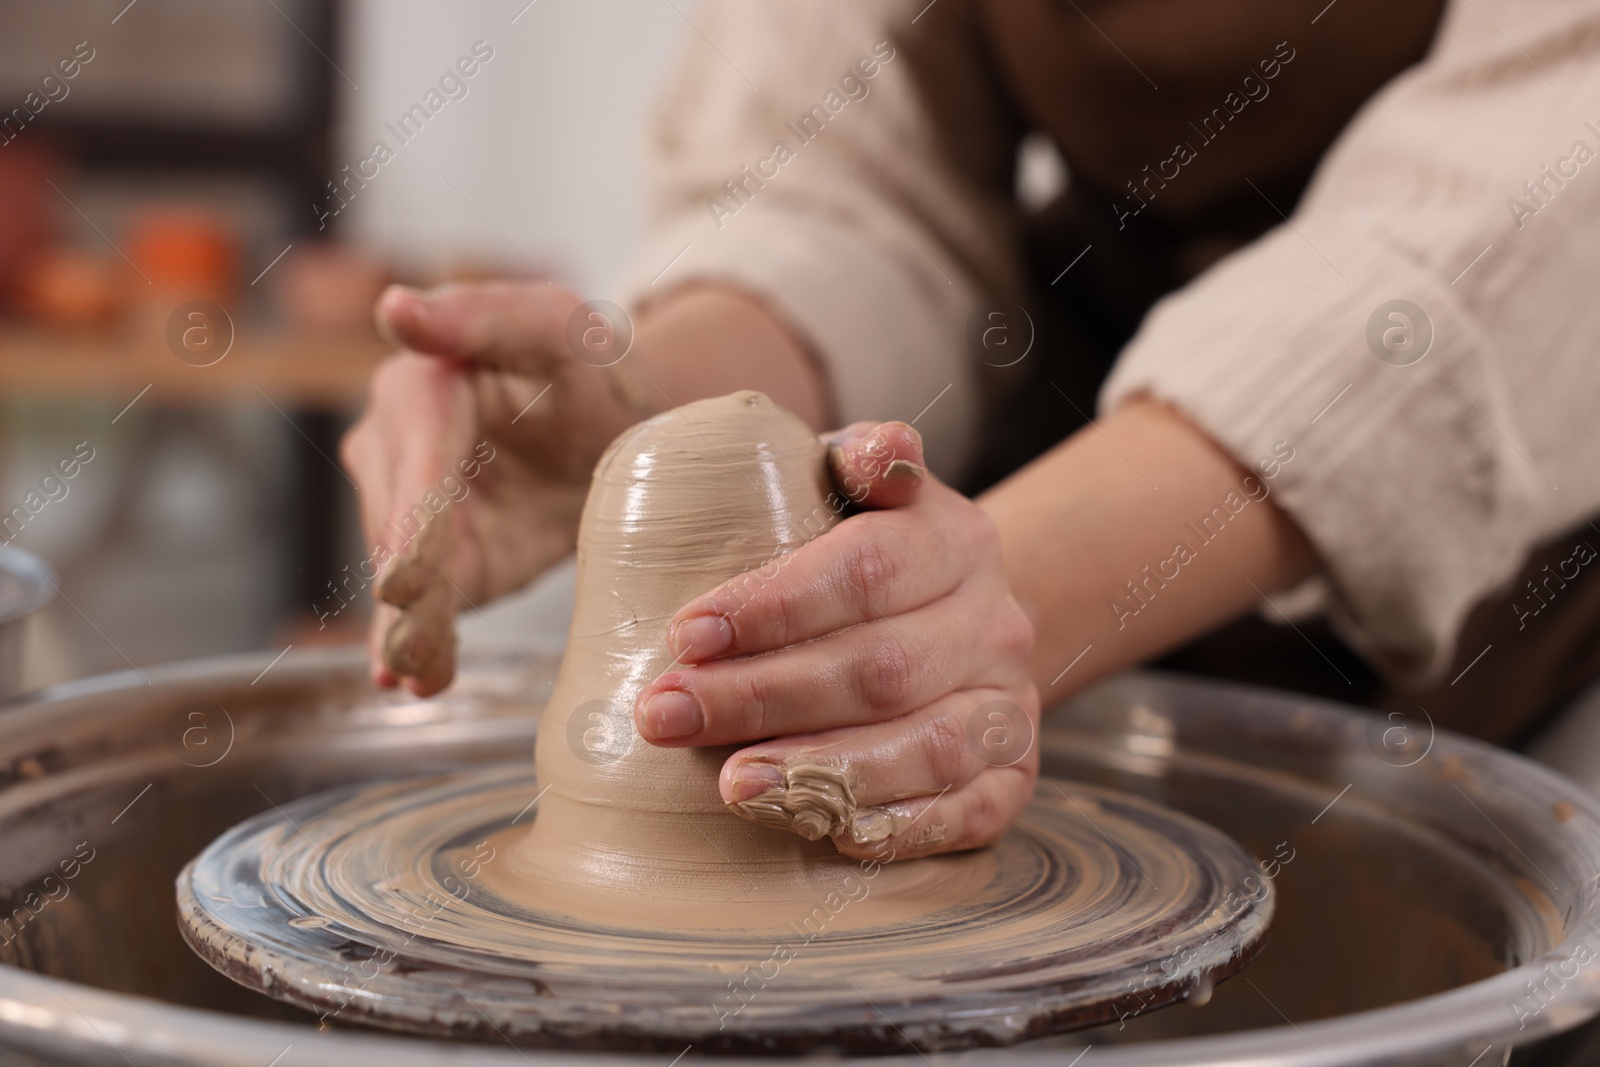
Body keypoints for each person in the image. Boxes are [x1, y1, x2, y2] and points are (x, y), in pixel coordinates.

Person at [342, 0, 1600, 860]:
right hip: (1053, 471)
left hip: (1530, 551)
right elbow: (846, 178)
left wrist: (983, 616)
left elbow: (1517, 224)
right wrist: (645, 415)